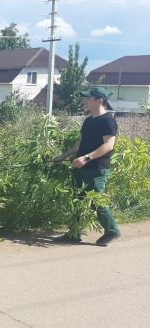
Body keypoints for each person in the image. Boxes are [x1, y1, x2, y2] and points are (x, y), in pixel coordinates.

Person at [52, 87, 120, 246]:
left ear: (99, 101)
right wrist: (62, 157)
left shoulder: (107, 120)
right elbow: (80, 144)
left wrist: (87, 158)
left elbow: (109, 145)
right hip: (81, 167)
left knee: (96, 200)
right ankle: (74, 233)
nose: (85, 100)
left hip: (96, 167)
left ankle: (112, 231)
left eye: (89, 98)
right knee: (77, 199)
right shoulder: (89, 120)